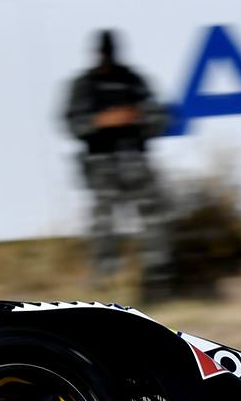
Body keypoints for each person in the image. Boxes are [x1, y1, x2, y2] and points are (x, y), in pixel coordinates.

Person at [63, 30, 174, 294]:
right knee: (104, 225)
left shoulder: (133, 80)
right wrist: (101, 121)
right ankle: (105, 283)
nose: (107, 58)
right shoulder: (84, 85)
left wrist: (138, 117)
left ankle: (158, 278)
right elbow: (72, 124)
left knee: (154, 219)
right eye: (104, 53)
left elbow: (159, 118)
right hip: (101, 163)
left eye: (110, 53)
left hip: (134, 159)